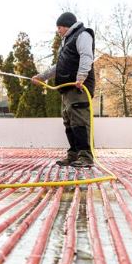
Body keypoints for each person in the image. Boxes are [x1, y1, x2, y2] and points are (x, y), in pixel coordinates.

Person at [31, 12, 96, 168]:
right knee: (69, 123)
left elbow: (87, 56)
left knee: (80, 122)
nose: (58, 30)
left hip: (79, 87)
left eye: (59, 27)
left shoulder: (83, 35)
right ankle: (73, 154)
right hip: (67, 89)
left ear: (67, 25)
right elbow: (59, 66)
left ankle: (85, 156)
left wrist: (81, 77)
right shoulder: (67, 41)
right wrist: (43, 76)